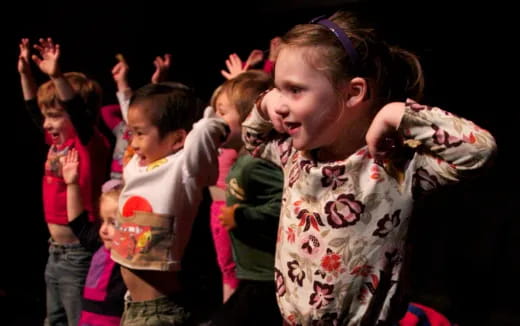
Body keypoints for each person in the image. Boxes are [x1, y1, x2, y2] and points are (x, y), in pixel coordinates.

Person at [242, 11, 497, 325]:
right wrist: (266, 101)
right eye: (278, 89)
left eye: (295, 90)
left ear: (353, 93)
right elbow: (252, 138)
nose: (281, 104)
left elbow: (478, 150)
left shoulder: (395, 165)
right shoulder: (295, 156)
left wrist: (396, 113)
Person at [109, 82, 229, 325]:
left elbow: (203, 134)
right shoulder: (138, 164)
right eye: (132, 134)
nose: (133, 143)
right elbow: (135, 117)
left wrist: (211, 120)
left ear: (177, 139)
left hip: (158, 311)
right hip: (133, 305)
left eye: (140, 134)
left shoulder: (184, 168)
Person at [17, 37, 110, 325]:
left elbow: (78, 115)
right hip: (54, 251)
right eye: (48, 117)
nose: (47, 123)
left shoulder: (89, 143)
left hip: (77, 253)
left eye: (55, 116)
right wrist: (25, 74)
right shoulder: (59, 142)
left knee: (75, 320)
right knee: (53, 319)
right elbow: (34, 109)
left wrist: (56, 76)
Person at [209, 70, 284, 325]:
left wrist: (242, 216)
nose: (214, 119)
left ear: (246, 118)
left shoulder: (256, 163)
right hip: (252, 276)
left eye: (221, 112)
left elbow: (287, 203)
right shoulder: (243, 159)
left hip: (265, 278)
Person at [61, 149, 126, 326]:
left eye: (113, 223)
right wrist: (72, 184)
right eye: (103, 221)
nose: (104, 229)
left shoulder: (130, 259)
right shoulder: (99, 246)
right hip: (88, 319)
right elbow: (78, 223)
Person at [102, 52, 173, 179]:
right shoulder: (124, 127)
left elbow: (152, 115)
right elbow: (120, 112)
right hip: (118, 182)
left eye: (139, 133)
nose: (134, 142)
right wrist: (121, 82)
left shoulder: (153, 133)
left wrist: (158, 86)